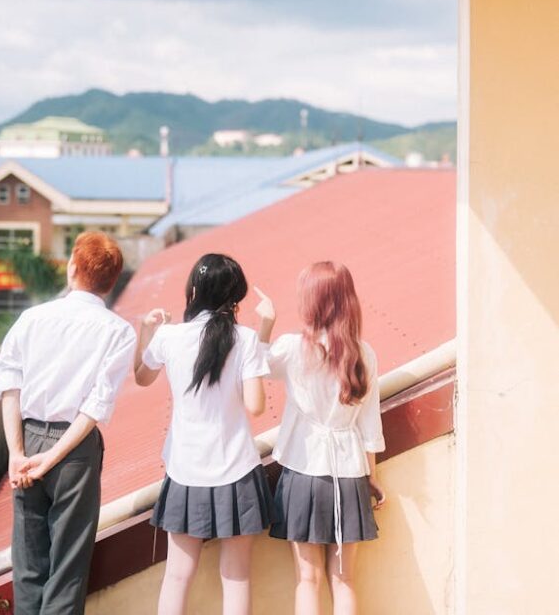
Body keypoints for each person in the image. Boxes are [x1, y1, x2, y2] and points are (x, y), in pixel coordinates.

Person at [0, 231, 136, 615]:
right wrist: (54, 456)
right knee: (68, 564)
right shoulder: (119, 331)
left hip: (28, 438)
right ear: (112, 281)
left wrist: (17, 453)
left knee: (28, 560)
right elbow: (95, 406)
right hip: (74, 450)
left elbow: (10, 384)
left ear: (72, 267)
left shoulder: (32, 318)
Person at [134, 253, 274, 615]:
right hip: (237, 469)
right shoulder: (244, 339)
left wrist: (147, 332)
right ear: (235, 296)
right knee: (237, 577)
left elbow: (141, 376)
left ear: (194, 290)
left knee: (178, 576)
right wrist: (264, 334)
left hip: (185, 470)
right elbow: (257, 406)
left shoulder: (168, 336)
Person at [257, 261, 386, 615]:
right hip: (350, 475)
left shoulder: (294, 348)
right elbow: (369, 425)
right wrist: (372, 476)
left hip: (304, 471)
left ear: (311, 301)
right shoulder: (365, 353)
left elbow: (256, 365)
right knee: (344, 581)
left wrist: (265, 324)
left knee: (307, 580)